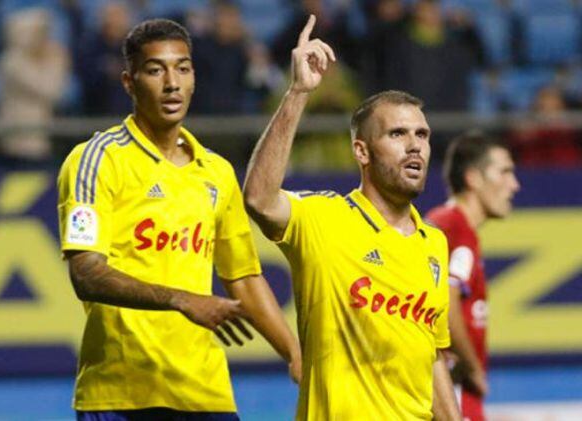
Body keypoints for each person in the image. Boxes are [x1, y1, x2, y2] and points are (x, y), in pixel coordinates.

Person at [56, 19, 300, 419]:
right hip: (121, 395)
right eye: (155, 70)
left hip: (205, 394)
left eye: (182, 68)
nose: (172, 83)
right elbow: (86, 273)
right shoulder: (97, 160)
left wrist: (293, 352)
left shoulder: (217, 172)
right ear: (129, 83)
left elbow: (243, 276)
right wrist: (180, 300)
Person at [243, 15, 461, 421]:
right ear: (361, 152)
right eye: (397, 134)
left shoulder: (434, 243)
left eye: (422, 135)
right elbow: (259, 198)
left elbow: (431, 354)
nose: (414, 146)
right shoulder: (324, 218)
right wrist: (298, 93)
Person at [426, 132, 520, 421]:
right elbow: (447, 301)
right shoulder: (455, 228)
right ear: (473, 178)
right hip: (452, 391)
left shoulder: (447, 225)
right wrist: (472, 368)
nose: (514, 185)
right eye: (504, 172)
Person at [0, 7, 70, 163]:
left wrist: (56, 60)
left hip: (42, 137)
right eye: (37, 33)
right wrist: (57, 60)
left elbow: (58, 93)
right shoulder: (11, 62)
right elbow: (50, 90)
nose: (43, 39)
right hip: (17, 140)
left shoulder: (50, 58)